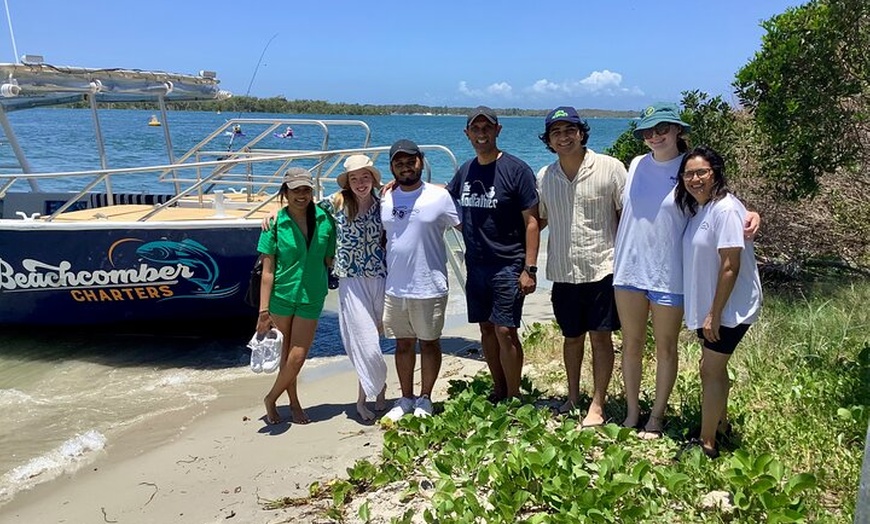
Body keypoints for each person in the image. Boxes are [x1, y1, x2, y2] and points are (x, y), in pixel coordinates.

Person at [613, 103, 760, 438]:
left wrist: (751, 213)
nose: (654, 136)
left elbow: (720, 201)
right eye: (648, 131)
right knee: (631, 344)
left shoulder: (689, 167)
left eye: (662, 128)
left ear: (678, 130)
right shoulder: (635, 164)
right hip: (628, 270)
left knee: (666, 347)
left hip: (669, 274)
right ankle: (633, 412)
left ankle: (657, 417)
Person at [536, 106, 625, 425]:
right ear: (548, 140)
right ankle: (573, 398)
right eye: (556, 132)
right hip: (563, 271)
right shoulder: (545, 176)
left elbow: (627, 216)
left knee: (601, 338)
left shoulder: (610, 168)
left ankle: (598, 404)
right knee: (571, 337)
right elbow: (539, 219)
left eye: (569, 130)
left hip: (603, 267)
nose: (564, 137)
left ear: (581, 132)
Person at [446, 106, 540, 401]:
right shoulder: (466, 169)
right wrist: (400, 186)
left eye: (487, 128)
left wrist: (530, 269)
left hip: (508, 264)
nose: (481, 134)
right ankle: (498, 389)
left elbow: (533, 222)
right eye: (476, 129)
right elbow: (445, 199)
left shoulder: (516, 169)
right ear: (467, 134)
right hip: (476, 265)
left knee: (505, 330)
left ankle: (514, 397)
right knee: (486, 328)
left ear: (498, 131)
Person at [676, 146, 762, 457]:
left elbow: (730, 265)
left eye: (702, 172)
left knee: (709, 370)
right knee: (712, 367)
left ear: (715, 173)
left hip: (729, 308)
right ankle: (721, 425)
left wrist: (714, 313)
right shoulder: (702, 208)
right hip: (714, 307)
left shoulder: (725, 209)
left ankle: (707, 442)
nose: (695, 179)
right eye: (688, 173)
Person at [380, 139, 460, 421]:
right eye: (398, 163)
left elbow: (466, 228)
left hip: (429, 285)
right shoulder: (385, 197)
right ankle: (405, 397)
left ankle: (425, 398)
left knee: (429, 342)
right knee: (402, 344)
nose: (405, 167)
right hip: (395, 287)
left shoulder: (438, 197)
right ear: (391, 167)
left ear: (421, 162)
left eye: (410, 161)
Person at [256, 168, 336, 425]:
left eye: (306, 190)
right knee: (285, 355)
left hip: (312, 294)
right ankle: (294, 402)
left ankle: (270, 397)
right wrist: (263, 311)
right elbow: (267, 272)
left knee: (298, 355)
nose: (301, 195)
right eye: (295, 190)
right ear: (285, 192)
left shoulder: (325, 219)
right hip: (282, 295)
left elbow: (330, 258)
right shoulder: (275, 223)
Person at [318, 154, 388, 421]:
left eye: (365, 177)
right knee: (364, 341)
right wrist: (274, 213)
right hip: (350, 279)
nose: (360, 183)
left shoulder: (383, 204)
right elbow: (303, 210)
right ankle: (362, 400)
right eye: (355, 179)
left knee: (377, 338)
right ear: (347, 182)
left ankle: (379, 390)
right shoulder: (336, 202)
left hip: (380, 276)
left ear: (372, 179)